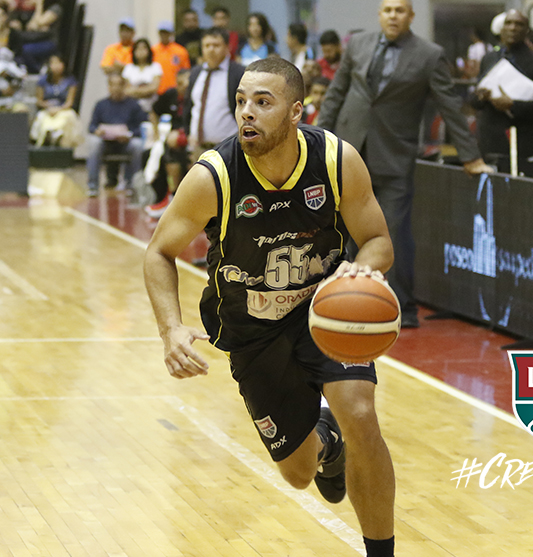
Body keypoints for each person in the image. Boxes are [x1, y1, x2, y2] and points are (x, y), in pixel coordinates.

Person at [143, 56, 398, 557]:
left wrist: (356, 271)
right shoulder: (213, 176)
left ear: (296, 111)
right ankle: (326, 445)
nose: (247, 112)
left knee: (360, 413)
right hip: (252, 329)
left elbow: (378, 241)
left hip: (325, 313)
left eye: (263, 102)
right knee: (298, 474)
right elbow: (158, 252)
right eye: (241, 101)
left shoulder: (336, 160)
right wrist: (170, 329)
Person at [317, 0, 491, 328]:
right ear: (380, 14)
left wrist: (471, 156)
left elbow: (450, 106)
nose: (393, 16)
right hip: (349, 152)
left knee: (393, 234)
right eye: (388, 10)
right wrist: (317, 142)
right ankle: (349, 303)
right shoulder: (358, 44)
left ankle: (400, 308)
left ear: (410, 16)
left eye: (400, 10)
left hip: (395, 156)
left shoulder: (429, 55)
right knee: (345, 233)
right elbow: (336, 94)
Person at [472, 10, 533, 177]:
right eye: (508, 23)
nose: (512, 28)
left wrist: (513, 105)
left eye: (519, 24)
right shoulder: (489, 59)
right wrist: (480, 96)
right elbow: (474, 101)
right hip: (489, 136)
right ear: (501, 29)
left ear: (527, 30)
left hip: (520, 136)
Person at [184, 28, 245, 159]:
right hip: (199, 148)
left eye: (216, 45)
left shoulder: (238, 73)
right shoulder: (196, 73)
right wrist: (188, 133)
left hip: (228, 149)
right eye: (207, 45)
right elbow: (189, 107)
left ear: (227, 47)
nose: (211, 49)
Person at [85, 74, 147, 197]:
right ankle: (92, 186)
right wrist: (97, 131)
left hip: (126, 143)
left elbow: (142, 128)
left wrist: (129, 134)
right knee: (93, 143)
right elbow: (91, 126)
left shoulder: (134, 105)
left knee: (137, 145)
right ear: (108, 87)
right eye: (112, 85)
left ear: (124, 86)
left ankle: (131, 184)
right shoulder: (101, 104)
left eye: (119, 85)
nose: (115, 88)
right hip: (106, 142)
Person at [145, 69, 191, 218]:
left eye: (186, 83)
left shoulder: (198, 95)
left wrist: (185, 136)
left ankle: (192, 200)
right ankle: (172, 196)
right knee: (162, 153)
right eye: (180, 83)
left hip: (195, 137)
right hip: (174, 139)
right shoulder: (171, 94)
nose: (183, 87)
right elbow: (154, 111)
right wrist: (156, 134)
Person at [30, 54, 80, 147]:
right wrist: (48, 107)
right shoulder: (42, 81)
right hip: (47, 109)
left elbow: (69, 102)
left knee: (67, 119)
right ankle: (46, 138)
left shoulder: (71, 81)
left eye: (59, 63)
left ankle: (59, 139)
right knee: (43, 119)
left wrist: (59, 109)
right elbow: (39, 101)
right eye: (53, 63)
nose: (56, 66)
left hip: (64, 109)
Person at [123, 38, 163, 114]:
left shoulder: (155, 67)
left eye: (144, 48)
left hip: (152, 105)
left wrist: (135, 90)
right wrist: (146, 91)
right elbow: (127, 90)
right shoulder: (129, 68)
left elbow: (153, 88)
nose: (141, 51)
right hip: (132, 106)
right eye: (138, 48)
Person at [153, 20, 191, 95]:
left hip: (175, 91)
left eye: (166, 33)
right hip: (156, 91)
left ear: (171, 34)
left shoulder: (181, 51)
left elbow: (186, 72)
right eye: (162, 32)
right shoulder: (153, 51)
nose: (164, 35)